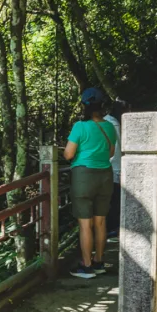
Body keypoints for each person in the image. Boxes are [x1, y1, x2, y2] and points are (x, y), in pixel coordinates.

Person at [64, 87, 117, 278]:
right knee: (100, 222)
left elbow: (69, 154)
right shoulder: (110, 126)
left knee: (85, 224)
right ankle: (99, 262)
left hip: (84, 175)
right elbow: (110, 153)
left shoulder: (80, 126)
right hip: (105, 175)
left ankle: (86, 266)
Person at [103, 99, 128, 239]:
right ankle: (112, 228)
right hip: (114, 167)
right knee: (113, 201)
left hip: (107, 167)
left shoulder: (107, 122)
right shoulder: (114, 123)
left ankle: (110, 229)